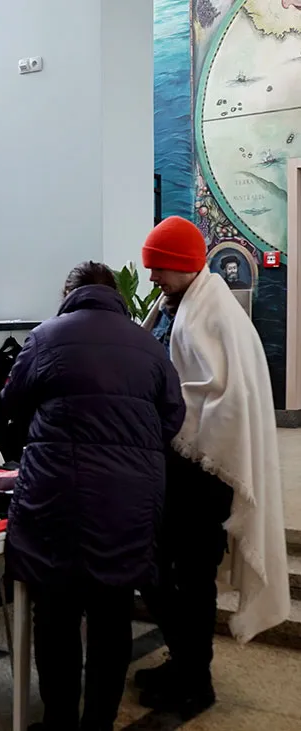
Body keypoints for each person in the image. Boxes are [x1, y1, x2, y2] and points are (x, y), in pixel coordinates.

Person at [2, 262, 186, 731]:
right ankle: (99, 723)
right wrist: (134, 454)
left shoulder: (45, 338)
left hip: (55, 499)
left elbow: (11, 403)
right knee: (112, 616)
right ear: (116, 294)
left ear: (68, 293)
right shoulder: (149, 345)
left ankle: (60, 721)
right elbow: (173, 416)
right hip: (128, 504)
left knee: (56, 617)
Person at [138, 216, 290, 715]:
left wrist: (157, 410)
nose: (153, 277)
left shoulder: (211, 312)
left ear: (183, 264)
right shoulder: (187, 302)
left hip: (203, 474)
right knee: (167, 573)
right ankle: (183, 661)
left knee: (190, 577)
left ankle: (195, 681)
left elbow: (220, 397)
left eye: (159, 267)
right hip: (182, 470)